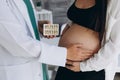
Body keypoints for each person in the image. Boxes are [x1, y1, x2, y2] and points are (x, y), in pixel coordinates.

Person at [0, 0, 93, 80]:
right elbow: (18, 43)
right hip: (17, 71)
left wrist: (36, 25)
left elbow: (14, 23)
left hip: (35, 67)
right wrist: (65, 53)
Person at [55, 0, 120, 80]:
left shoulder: (116, 2)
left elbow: (115, 45)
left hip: (90, 69)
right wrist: (45, 29)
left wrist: (83, 66)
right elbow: (77, 21)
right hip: (66, 63)